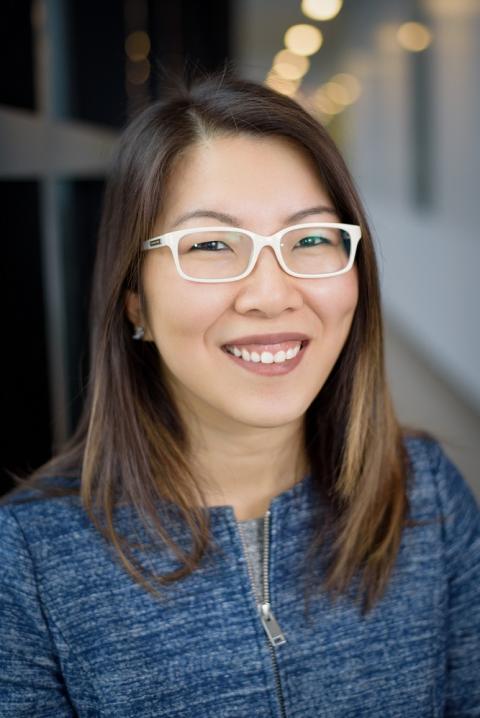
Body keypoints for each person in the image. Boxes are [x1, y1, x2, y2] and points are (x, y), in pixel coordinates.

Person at [0, 74, 479, 717]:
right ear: (133, 298)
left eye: (310, 239)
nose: (271, 294)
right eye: (211, 245)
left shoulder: (428, 497)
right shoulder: (25, 563)